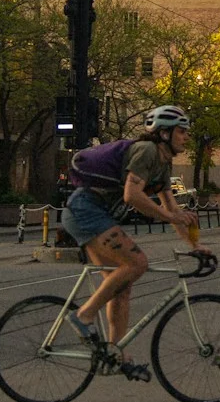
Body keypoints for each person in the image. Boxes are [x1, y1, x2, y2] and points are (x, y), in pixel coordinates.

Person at [64, 105, 206, 381]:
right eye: (181, 132)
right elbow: (131, 195)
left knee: (122, 286)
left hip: (96, 213)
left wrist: (196, 247)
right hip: (86, 209)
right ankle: (83, 316)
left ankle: (114, 353)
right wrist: (168, 215)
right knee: (138, 262)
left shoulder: (162, 164)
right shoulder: (148, 151)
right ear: (163, 133)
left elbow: (173, 210)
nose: (186, 137)